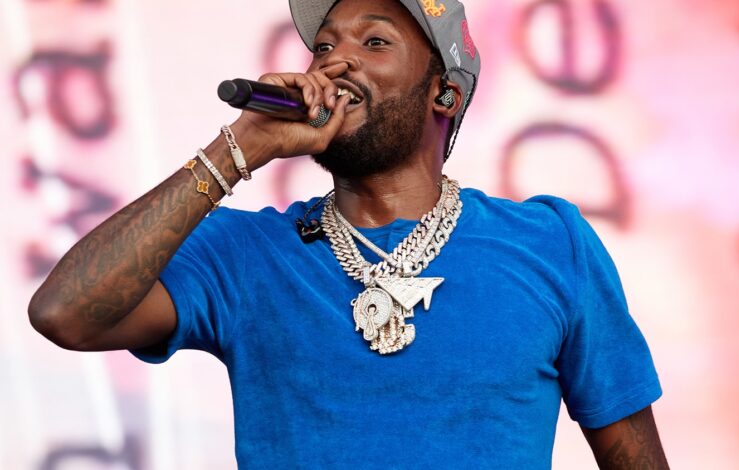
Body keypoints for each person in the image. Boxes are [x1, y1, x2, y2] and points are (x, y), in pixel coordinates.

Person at [28, 0, 669, 467]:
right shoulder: (245, 254)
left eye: (375, 42)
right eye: (324, 46)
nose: (336, 62)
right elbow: (65, 314)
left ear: (444, 94)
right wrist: (235, 151)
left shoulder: (550, 243)